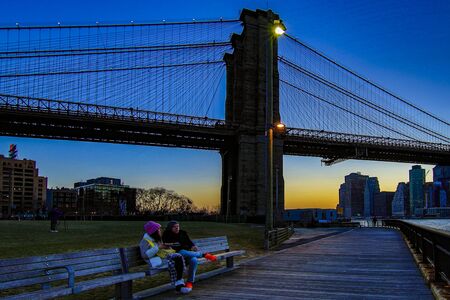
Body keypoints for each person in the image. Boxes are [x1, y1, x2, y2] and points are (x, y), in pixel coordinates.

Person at [163, 221, 217, 291]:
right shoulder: (166, 234)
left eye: (178, 226)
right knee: (181, 251)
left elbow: (189, 242)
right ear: (170, 228)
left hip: (187, 253)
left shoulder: (183, 233)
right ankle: (204, 254)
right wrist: (181, 245)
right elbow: (172, 246)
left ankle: (189, 282)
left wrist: (193, 246)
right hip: (176, 256)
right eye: (174, 227)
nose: (177, 228)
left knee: (194, 260)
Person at [139, 221, 190, 294]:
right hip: (155, 262)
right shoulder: (145, 241)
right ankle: (179, 286)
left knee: (178, 257)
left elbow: (159, 249)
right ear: (154, 231)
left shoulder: (155, 239)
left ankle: (179, 284)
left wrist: (165, 247)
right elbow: (144, 255)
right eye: (158, 230)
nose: (160, 231)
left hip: (162, 259)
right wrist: (158, 247)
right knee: (176, 260)